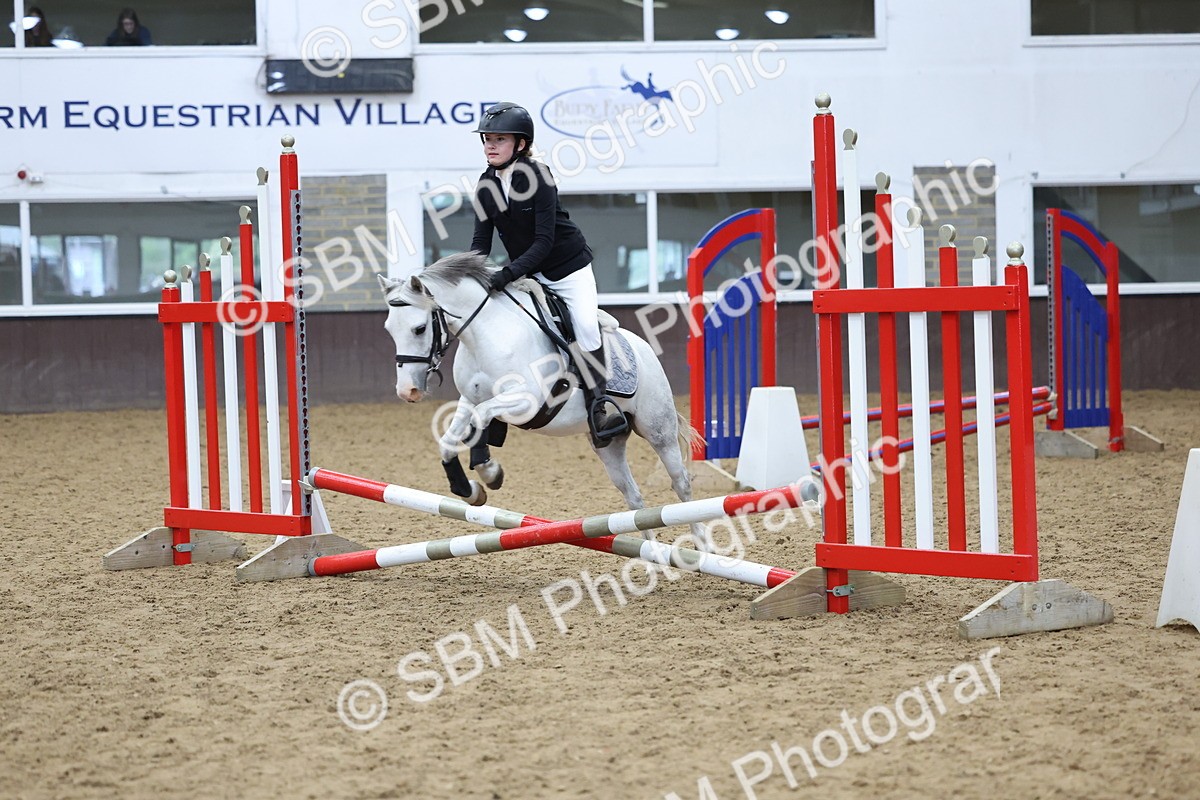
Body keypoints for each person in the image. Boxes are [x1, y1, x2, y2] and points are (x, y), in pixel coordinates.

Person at [468, 101, 628, 446]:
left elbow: (543, 242)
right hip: (529, 274)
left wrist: (507, 274)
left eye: (499, 139)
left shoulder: (538, 177)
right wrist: (473, 277)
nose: (490, 146)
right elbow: (481, 243)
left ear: (521, 144)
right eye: (486, 139)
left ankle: (599, 406)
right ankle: (498, 407)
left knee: (585, 327)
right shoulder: (485, 185)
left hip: (567, 270)